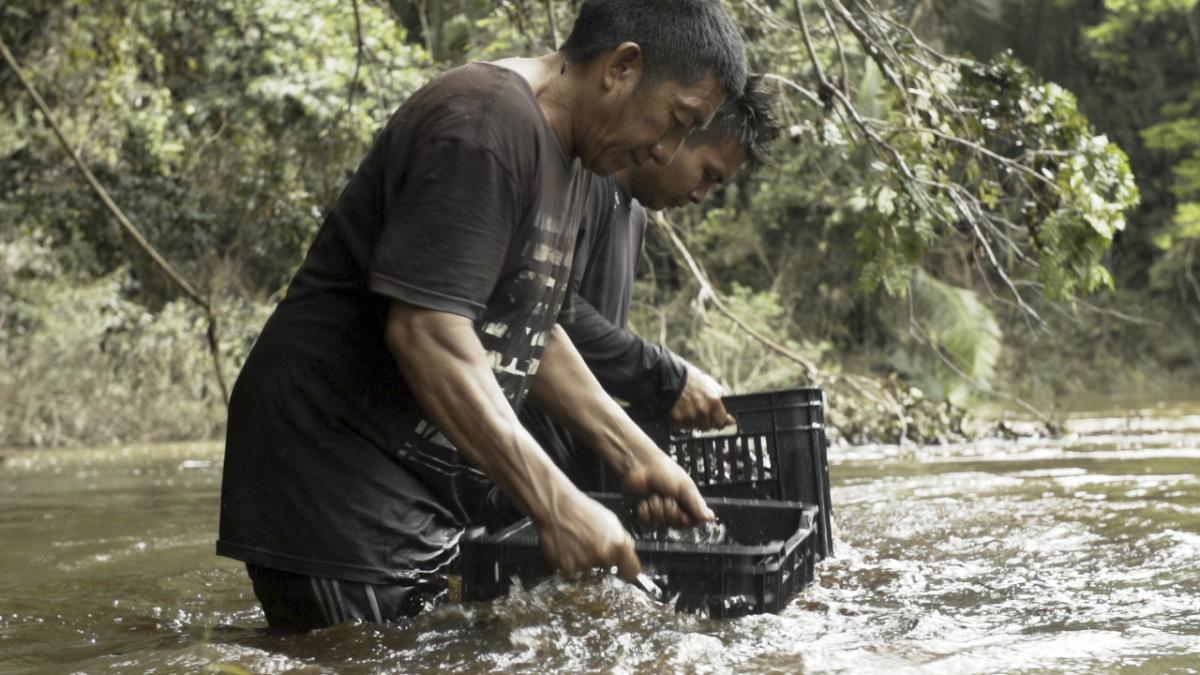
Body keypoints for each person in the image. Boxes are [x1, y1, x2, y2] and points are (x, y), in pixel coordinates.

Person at [216, 0, 747, 631]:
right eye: (677, 121)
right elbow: (428, 332)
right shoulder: (485, 124)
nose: (667, 151)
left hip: (412, 498)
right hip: (336, 489)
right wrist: (556, 503)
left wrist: (636, 455)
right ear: (622, 67)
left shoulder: (575, 157)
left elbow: (530, 325)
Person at [514, 77, 781, 504]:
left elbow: (595, 357)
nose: (700, 196)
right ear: (676, 133)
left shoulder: (634, 212)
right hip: (521, 468)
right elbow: (547, 316)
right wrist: (663, 377)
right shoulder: (587, 183)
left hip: (572, 465)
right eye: (707, 174)